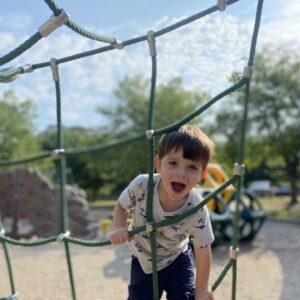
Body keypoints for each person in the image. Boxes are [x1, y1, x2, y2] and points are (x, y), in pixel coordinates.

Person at [109, 124, 215, 300]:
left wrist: (203, 287)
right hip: (144, 260)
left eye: (192, 167)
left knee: (186, 297)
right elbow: (121, 205)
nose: (181, 173)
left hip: (178, 259)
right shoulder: (142, 185)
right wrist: (118, 227)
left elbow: (203, 249)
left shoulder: (197, 208)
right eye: (173, 163)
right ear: (158, 164)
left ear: (202, 174)